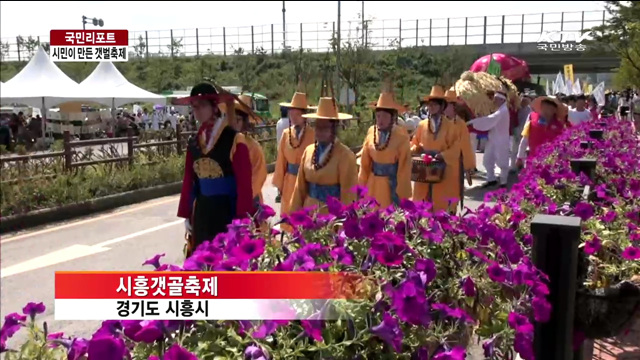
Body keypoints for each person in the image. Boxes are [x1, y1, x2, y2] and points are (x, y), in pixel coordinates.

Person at [175, 83, 255, 257]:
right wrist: (188, 213)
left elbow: (244, 184)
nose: (197, 111)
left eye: (202, 105)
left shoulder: (234, 139)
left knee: (225, 261)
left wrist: (242, 220)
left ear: (214, 107)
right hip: (202, 211)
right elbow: (190, 179)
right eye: (194, 107)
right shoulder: (194, 142)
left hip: (227, 210)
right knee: (202, 261)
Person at [290, 97, 358, 213]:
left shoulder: (346, 156)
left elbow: (348, 195)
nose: (319, 131)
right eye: (317, 127)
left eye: (324, 127)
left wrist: (343, 226)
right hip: (309, 214)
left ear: (334, 128)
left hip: (331, 216)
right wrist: (294, 216)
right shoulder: (308, 151)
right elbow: (299, 188)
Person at [411, 85, 461, 213]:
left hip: (443, 169)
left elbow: (456, 147)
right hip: (424, 170)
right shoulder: (422, 125)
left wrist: (443, 155)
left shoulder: (450, 126)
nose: (431, 107)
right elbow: (415, 143)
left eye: (434, 104)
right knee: (422, 204)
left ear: (442, 106)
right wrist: (414, 150)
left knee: (441, 204)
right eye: (429, 104)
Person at [358, 92, 412, 208]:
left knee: (388, 219)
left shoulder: (401, 136)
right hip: (372, 184)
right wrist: (361, 186)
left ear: (392, 117)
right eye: (378, 116)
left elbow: (404, 167)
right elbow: (364, 164)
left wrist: (401, 192)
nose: (380, 120)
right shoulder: (371, 131)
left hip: (390, 185)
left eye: (385, 116)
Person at [273, 92, 315, 215]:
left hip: (305, 181)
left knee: (303, 213)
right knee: (289, 212)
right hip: (289, 181)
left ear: (305, 116)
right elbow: (281, 160)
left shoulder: (313, 134)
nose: (293, 116)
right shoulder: (286, 134)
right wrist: (279, 185)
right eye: (291, 113)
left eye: (297, 114)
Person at [467, 90, 511, 189]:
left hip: (501, 139)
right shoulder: (499, 110)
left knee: (502, 161)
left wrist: (473, 122)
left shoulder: (503, 110)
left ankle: (503, 182)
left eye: (496, 99)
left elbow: (490, 120)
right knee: (487, 159)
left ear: (501, 100)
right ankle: (491, 179)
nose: (494, 101)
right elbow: (489, 118)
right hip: (493, 138)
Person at [231, 95, 268, 208]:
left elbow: (259, 176)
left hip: (249, 199)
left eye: (238, 119)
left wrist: (243, 196)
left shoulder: (254, 147)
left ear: (245, 121)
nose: (234, 123)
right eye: (230, 118)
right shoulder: (223, 143)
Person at [444, 87, 474, 210]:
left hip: (455, 164)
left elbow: (466, 147)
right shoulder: (437, 122)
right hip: (439, 162)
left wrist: (468, 168)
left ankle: (451, 215)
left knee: (452, 191)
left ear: (453, 107)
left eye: (447, 105)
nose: (444, 108)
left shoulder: (460, 124)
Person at [516, 95, 569, 165]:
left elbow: (563, 145)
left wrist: (564, 161)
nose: (546, 111)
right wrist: (520, 157)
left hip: (551, 162)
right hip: (533, 160)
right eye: (544, 107)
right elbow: (524, 139)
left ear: (555, 110)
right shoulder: (532, 119)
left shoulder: (560, 126)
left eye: (549, 109)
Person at [511, 92, 533, 171]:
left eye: (526, 100)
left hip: (525, 132)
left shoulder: (530, 110)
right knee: (515, 149)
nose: (524, 101)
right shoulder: (517, 109)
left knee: (524, 149)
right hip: (517, 131)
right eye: (523, 100)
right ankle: (513, 166)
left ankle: (522, 165)